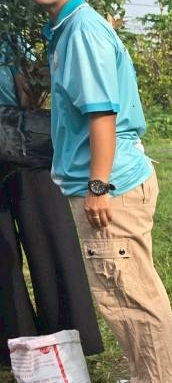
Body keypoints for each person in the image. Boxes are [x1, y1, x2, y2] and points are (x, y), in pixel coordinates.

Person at [13, 0, 172, 383]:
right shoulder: (69, 27)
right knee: (138, 282)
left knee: (122, 290)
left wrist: (97, 187)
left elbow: (102, 115)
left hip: (110, 184)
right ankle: (164, 374)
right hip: (119, 178)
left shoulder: (80, 32)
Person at [0, 48, 103, 365]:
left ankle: (70, 339)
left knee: (51, 237)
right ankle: (13, 348)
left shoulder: (13, 30)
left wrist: (34, 84)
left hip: (23, 136)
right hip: (20, 132)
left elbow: (36, 82)